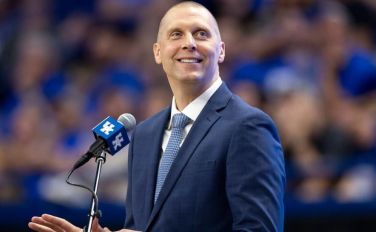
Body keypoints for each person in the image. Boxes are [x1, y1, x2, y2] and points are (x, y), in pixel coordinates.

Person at [29, 1, 286, 231]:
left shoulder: (248, 126)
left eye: (201, 34)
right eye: (176, 34)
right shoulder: (143, 135)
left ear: (220, 51)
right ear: (158, 52)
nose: (189, 43)